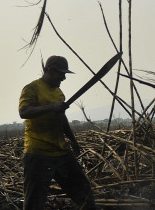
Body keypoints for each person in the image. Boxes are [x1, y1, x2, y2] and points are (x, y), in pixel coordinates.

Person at [19, 55, 97, 209]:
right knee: (34, 202)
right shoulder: (31, 88)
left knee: (84, 193)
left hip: (61, 152)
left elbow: (61, 118)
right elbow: (24, 111)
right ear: (49, 71)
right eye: (61, 73)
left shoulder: (59, 93)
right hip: (38, 153)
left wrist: (73, 140)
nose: (63, 78)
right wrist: (52, 107)